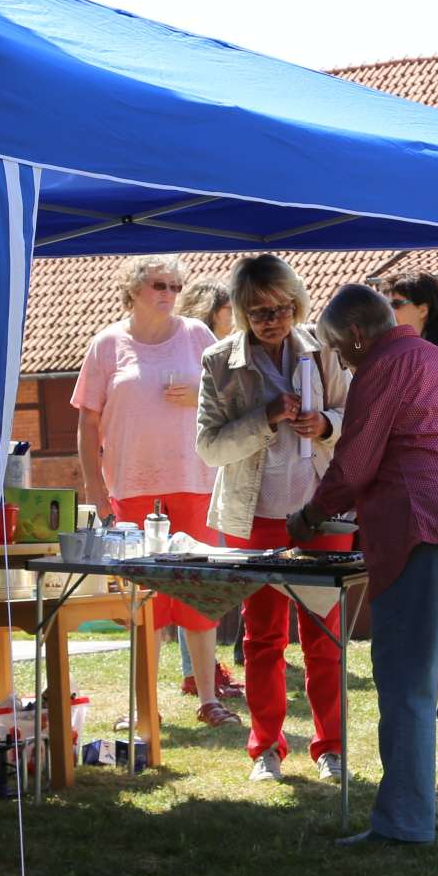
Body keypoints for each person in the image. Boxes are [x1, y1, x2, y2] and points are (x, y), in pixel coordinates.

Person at [288, 285, 438, 845]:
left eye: (337, 348)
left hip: (419, 533)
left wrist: (309, 516)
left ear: (357, 335)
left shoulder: (382, 366)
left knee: (407, 684)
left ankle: (405, 822)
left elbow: (354, 464)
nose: (339, 360)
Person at [196, 256, 351, 782]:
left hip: (320, 512)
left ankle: (331, 747)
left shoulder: (323, 348)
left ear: (297, 305)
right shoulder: (219, 360)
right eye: (260, 312)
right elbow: (209, 447)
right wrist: (264, 418)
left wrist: (325, 424)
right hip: (256, 515)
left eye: (283, 309)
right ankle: (266, 748)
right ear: (241, 311)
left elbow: (354, 416)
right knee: (262, 639)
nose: (273, 321)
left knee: (323, 636)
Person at [72, 256, 230, 725]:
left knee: (199, 592)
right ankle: (144, 707)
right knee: (143, 601)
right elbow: (88, 421)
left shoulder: (198, 337)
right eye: (160, 285)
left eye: (176, 286)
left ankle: (209, 699)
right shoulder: (107, 344)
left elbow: (235, 395)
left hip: (194, 481)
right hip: (131, 487)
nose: (169, 294)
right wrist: (94, 485)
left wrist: (201, 393)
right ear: (133, 289)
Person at [172, 278, 243, 702]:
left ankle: (201, 668)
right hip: (193, 476)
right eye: (228, 313)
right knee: (195, 576)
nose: (234, 320)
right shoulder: (194, 351)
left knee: (201, 575)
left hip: (206, 473)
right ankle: (196, 670)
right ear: (211, 313)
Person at [383, 269, 438, 363]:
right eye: (386, 305)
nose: (389, 311)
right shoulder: (388, 345)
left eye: (395, 304)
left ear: (423, 310)